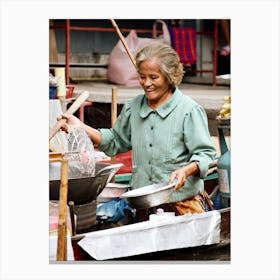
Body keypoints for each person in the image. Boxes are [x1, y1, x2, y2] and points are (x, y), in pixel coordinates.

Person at [58, 43, 217, 220]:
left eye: (154, 77)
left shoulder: (188, 110)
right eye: (142, 77)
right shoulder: (132, 108)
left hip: (183, 207)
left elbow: (205, 154)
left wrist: (185, 171)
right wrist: (81, 127)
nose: (147, 83)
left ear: (169, 77)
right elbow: (115, 140)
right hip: (144, 208)